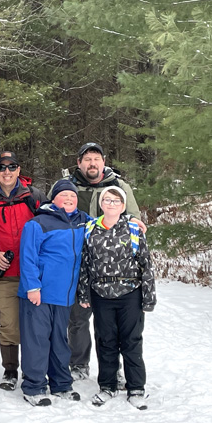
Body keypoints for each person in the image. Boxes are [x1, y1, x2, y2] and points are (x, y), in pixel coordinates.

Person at [56, 142, 146, 383]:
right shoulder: (70, 187)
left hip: (114, 265)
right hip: (79, 263)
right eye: (87, 160)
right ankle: (78, 363)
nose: (92, 163)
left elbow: (134, 219)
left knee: (112, 324)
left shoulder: (118, 186)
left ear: (103, 162)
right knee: (78, 319)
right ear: (79, 163)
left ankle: (113, 367)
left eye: (96, 159)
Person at [77, 186, 156, 410]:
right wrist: (84, 293)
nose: (111, 204)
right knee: (106, 341)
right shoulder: (90, 228)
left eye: (116, 201)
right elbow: (85, 264)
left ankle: (136, 388)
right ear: (101, 204)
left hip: (130, 292)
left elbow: (146, 264)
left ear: (123, 206)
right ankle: (107, 386)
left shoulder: (132, 229)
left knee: (131, 341)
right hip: (101, 293)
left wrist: (149, 297)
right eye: (107, 200)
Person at [18, 179, 88, 407]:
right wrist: (32, 287)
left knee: (60, 340)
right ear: (53, 198)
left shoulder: (84, 222)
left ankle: (61, 383)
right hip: (39, 293)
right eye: (63, 195)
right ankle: (34, 386)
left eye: (73, 196)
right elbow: (27, 257)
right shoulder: (37, 223)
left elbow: (109, 221)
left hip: (65, 294)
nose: (69, 199)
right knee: (37, 340)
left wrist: (132, 220)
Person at [0, 151, 44, 391]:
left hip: (33, 274)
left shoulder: (34, 196)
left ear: (18, 170)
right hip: (4, 274)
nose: (7, 171)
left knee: (35, 323)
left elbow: (49, 227)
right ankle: (10, 370)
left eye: (11, 167)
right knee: (9, 324)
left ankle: (34, 369)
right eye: (2, 167)